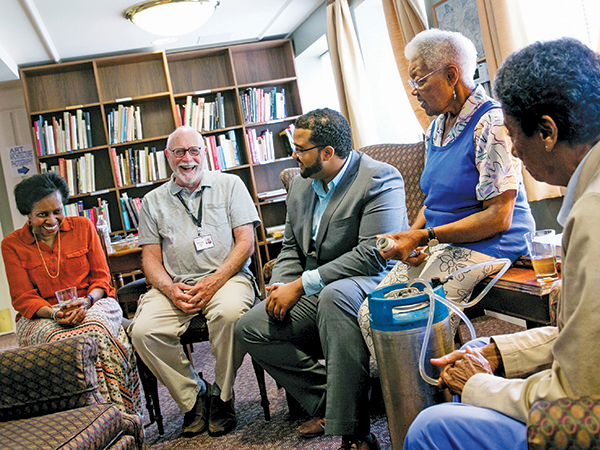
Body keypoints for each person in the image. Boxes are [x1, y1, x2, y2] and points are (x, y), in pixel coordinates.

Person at [403, 37, 600, 450]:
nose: (510, 147)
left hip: (587, 424)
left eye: (513, 134)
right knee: (477, 345)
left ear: (547, 131)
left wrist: (478, 386)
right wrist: (496, 352)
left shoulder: (593, 216)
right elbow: (581, 337)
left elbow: (578, 404)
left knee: (432, 426)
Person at [235, 108, 408, 450]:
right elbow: (290, 247)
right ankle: (339, 400)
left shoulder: (379, 178)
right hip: (317, 288)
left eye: (300, 149)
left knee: (335, 296)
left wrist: (300, 286)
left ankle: (354, 433)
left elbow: (372, 255)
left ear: (327, 153)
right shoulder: (301, 184)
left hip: (369, 283)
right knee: (248, 328)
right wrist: (280, 285)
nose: (294, 155)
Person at [358, 28, 535, 355]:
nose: (414, 91)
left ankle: (442, 393)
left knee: (414, 320)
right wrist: (407, 238)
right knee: (373, 314)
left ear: (452, 75)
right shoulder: (437, 127)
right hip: (445, 242)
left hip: (491, 242)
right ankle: (415, 392)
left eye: (419, 80)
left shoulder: (491, 123)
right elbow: (434, 199)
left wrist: (426, 238)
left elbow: (500, 217)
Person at [128, 125, 260, 437]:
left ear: (204, 152)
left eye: (194, 151)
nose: (187, 158)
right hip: (177, 285)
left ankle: (222, 396)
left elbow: (246, 243)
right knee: (144, 331)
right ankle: (193, 396)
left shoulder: (231, 185)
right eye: (179, 152)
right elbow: (149, 258)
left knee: (230, 316)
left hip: (226, 279)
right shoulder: (152, 201)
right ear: (168, 157)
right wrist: (169, 289)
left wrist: (216, 280)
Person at [1, 172, 142, 417]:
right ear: (28, 214)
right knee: (62, 345)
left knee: (93, 332)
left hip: (92, 302)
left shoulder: (83, 227)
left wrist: (86, 301)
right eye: (42, 214)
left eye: (57, 211)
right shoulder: (12, 245)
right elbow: (23, 298)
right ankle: (83, 419)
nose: (52, 220)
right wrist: (55, 313)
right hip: (42, 316)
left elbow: (101, 279)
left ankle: (119, 415)